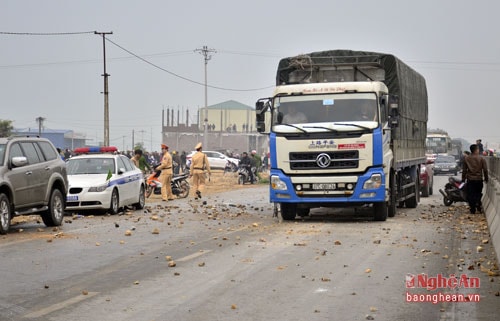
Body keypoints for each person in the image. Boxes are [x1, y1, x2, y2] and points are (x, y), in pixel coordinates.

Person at [462, 144, 488, 214]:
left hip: (470, 179)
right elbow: (485, 170)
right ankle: (478, 204)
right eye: (478, 149)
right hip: (479, 179)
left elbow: (464, 170)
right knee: (478, 193)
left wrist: (463, 179)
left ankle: (472, 208)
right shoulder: (481, 158)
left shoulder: (466, 158)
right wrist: (486, 178)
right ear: (476, 150)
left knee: (470, 194)